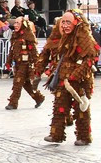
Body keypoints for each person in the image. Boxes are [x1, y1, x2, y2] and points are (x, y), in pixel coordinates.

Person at [40, 11, 97, 146]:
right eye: (63, 22)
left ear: (76, 23)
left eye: (68, 22)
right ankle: (56, 134)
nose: (65, 25)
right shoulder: (64, 38)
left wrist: (75, 76)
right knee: (59, 106)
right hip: (63, 79)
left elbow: (90, 59)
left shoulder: (85, 38)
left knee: (81, 109)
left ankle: (84, 136)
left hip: (80, 81)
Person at [6, 17, 45, 110]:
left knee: (17, 83)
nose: (15, 25)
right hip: (18, 64)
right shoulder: (15, 35)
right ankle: (39, 98)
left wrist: (36, 66)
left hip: (26, 64)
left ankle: (13, 103)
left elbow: (34, 52)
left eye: (18, 23)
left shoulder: (28, 35)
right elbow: (12, 50)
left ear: (23, 24)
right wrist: (8, 62)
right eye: (15, 23)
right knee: (27, 85)